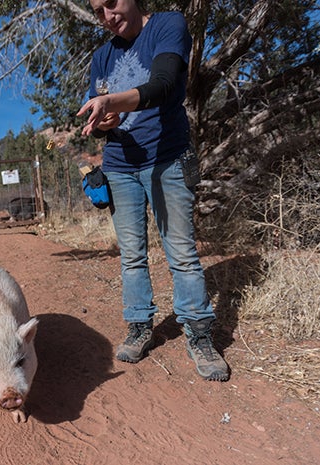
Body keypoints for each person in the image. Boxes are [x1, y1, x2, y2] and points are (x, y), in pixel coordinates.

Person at [76, 0, 229, 381]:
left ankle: (199, 333)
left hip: (167, 159)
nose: (107, 16)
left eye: (111, 3)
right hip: (119, 167)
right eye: (98, 11)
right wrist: (105, 122)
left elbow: (163, 85)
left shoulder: (166, 26)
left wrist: (112, 100)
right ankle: (140, 326)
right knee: (131, 255)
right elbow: (101, 118)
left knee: (181, 251)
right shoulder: (102, 56)